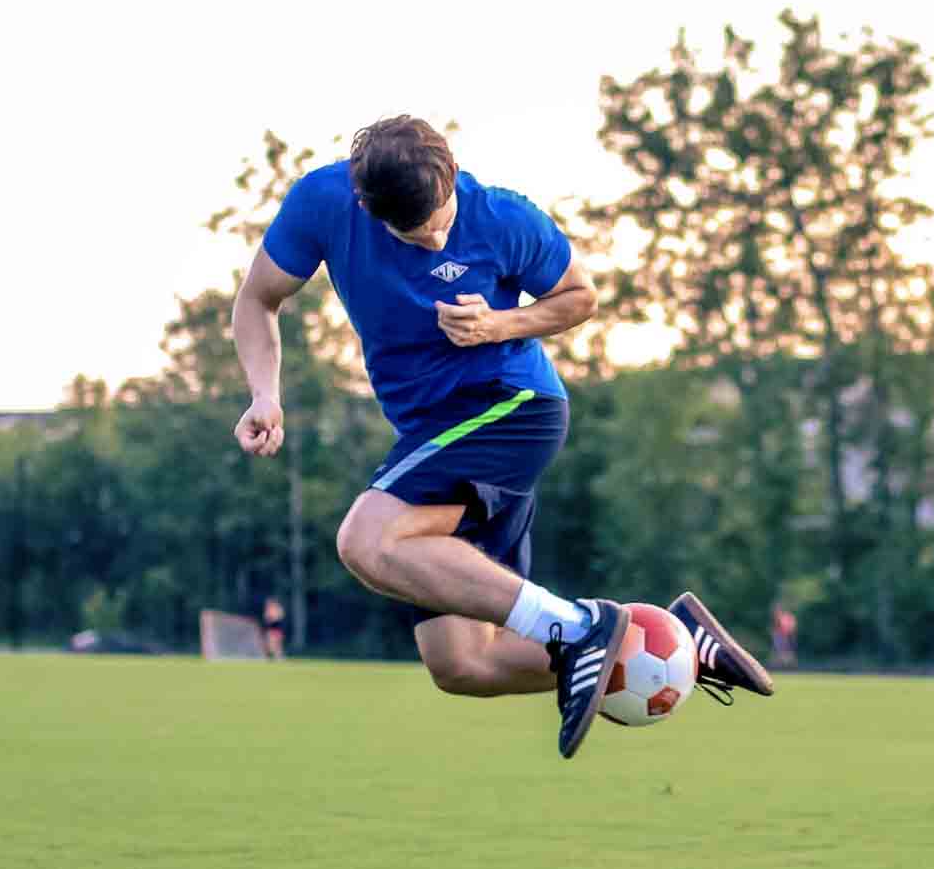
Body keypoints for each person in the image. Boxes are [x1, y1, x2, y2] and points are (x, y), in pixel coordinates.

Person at [231, 117, 776, 759]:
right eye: (413, 234)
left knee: (365, 540)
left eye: (440, 219)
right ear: (363, 205)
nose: (433, 240)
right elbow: (257, 300)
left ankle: (580, 627)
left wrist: (501, 324)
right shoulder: (321, 202)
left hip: (510, 406)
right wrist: (266, 392)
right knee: (464, 665)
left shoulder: (505, 219)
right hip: (432, 431)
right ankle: (679, 646)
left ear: (452, 175)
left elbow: (579, 296)